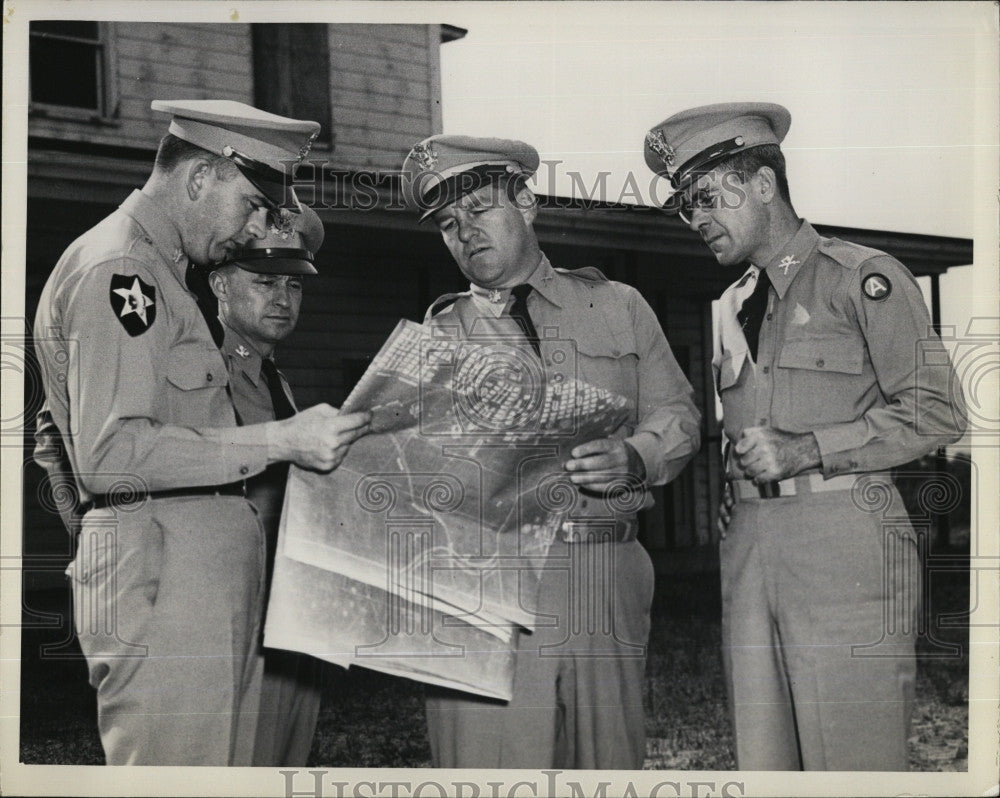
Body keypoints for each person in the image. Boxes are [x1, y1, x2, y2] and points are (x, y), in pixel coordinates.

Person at [32, 99, 371, 766]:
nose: (252, 229)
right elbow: (110, 455)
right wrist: (281, 441)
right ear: (201, 177)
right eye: (249, 205)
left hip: (186, 581)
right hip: (170, 590)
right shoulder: (122, 271)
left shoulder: (157, 271)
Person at [643, 102, 968, 770]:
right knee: (767, 762)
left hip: (845, 538)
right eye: (685, 206)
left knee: (853, 759)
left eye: (706, 198)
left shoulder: (861, 278)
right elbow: (744, 430)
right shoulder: (728, 306)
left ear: (763, 184)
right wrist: (739, 489)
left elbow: (938, 410)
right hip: (749, 550)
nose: (695, 218)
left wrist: (807, 448)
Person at [401, 134, 701, 769]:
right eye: (449, 224)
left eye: (479, 209)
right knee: (500, 766)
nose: (465, 234)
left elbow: (678, 414)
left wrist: (639, 456)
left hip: (606, 569)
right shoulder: (439, 335)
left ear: (527, 203)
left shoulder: (617, 305)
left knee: (608, 765)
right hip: (495, 581)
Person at [204, 203, 327, 767]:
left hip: (291, 619)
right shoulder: (199, 375)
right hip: (229, 624)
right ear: (220, 285)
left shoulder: (277, 380)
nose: (283, 297)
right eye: (263, 281)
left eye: (293, 284)